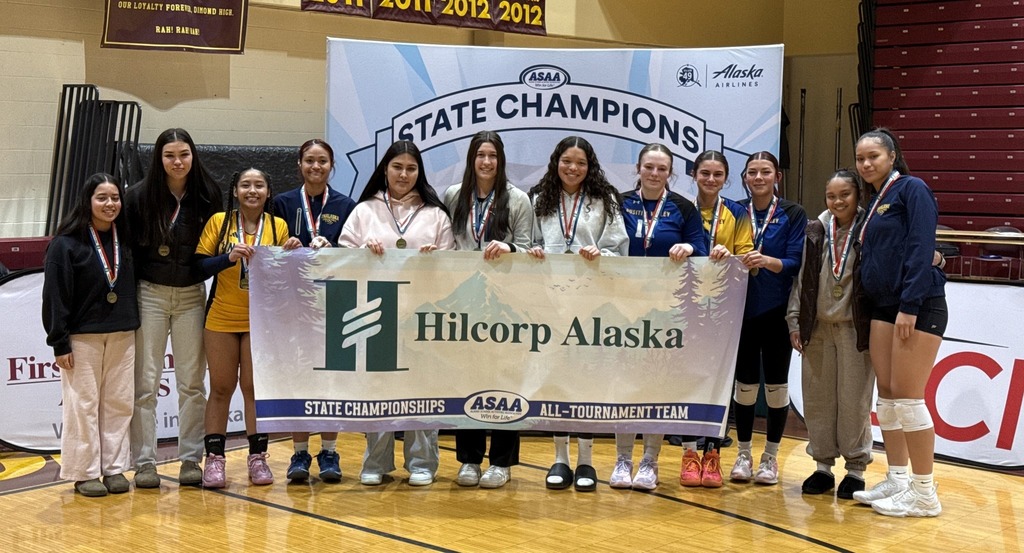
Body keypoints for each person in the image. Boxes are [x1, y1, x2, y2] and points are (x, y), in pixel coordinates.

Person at [339, 140, 456, 487]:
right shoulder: (364, 211)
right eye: (397, 167)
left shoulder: (435, 214)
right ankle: (376, 461)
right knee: (377, 389)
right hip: (376, 314)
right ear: (385, 169)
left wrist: (438, 258)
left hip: (423, 316)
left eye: (411, 168)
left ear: (419, 173)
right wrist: (362, 252)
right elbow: (341, 258)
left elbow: (453, 269)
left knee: (424, 390)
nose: (404, 175)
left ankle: (422, 462)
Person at [851, 128, 947, 517]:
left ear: (892, 156)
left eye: (873, 155)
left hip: (917, 305)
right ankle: (898, 479)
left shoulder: (912, 189)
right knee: (887, 397)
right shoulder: (876, 200)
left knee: (908, 398)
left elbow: (922, 247)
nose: (866, 164)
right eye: (860, 158)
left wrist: (909, 304)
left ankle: (925, 493)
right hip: (883, 307)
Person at [527, 135, 628, 492]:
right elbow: (528, 242)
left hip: (591, 302)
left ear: (590, 166)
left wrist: (602, 255)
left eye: (581, 163)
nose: (573, 168)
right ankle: (559, 457)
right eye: (567, 161)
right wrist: (535, 252)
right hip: (550, 301)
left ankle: (586, 460)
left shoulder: (606, 200)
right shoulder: (538, 198)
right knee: (555, 377)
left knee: (586, 379)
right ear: (556, 162)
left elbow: (619, 247)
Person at [125, 128, 223, 489]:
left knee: (192, 384)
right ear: (159, 158)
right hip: (149, 294)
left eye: (184, 154)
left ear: (193, 156)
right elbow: (129, 253)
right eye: (170, 155)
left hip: (190, 296)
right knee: (145, 385)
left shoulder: (207, 194)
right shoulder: (137, 196)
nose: (177, 162)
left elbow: (216, 248)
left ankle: (190, 460)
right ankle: (145, 463)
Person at [612, 143, 707, 491]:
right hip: (623, 307)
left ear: (671, 173)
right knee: (625, 382)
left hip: (666, 310)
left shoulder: (682, 207)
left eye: (662, 169)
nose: (654, 174)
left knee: (657, 381)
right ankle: (622, 459)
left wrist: (690, 248)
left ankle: (650, 461)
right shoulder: (618, 202)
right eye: (649, 167)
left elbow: (701, 246)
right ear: (638, 168)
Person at [443, 131, 533, 489]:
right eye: (480, 155)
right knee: (467, 378)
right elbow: (446, 243)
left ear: (501, 160)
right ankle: (469, 459)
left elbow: (529, 248)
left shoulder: (518, 199)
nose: (486, 162)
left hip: (505, 304)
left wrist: (509, 246)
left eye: (492, 155)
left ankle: (502, 461)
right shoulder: (453, 195)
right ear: (471, 159)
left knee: (505, 379)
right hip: (464, 303)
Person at [196, 168, 296, 488]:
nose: (252, 190)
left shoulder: (278, 226)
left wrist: (292, 252)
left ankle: (257, 459)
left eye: (259, 185)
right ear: (235, 190)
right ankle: (214, 460)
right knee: (222, 388)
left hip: (261, 321)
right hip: (222, 318)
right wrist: (228, 257)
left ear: (268, 192)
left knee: (254, 390)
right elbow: (198, 266)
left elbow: (285, 274)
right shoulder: (219, 221)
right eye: (245, 185)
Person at [43, 173, 140, 497]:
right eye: (102, 198)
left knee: (118, 404)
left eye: (115, 198)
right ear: (87, 201)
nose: (110, 204)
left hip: (123, 333)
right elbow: (54, 296)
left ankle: (113, 468)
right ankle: (84, 472)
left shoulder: (125, 238)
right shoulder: (65, 243)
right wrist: (59, 341)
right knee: (82, 404)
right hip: (82, 338)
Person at [786, 170, 874, 499]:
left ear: (858, 196)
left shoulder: (869, 229)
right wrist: (795, 320)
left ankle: (855, 470)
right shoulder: (815, 229)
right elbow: (801, 278)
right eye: (831, 196)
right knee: (819, 401)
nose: (837, 201)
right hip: (818, 326)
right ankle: (822, 467)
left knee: (854, 401)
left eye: (845, 195)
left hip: (855, 328)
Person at [272, 139, 356, 484]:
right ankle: (300, 453)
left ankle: (330, 452)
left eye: (322, 161)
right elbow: (270, 250)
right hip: (293, 302)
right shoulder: (282, 202)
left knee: (329, 378)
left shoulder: (346, 204)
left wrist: (332, 247)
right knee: (297, 378)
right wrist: (285, 245)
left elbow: (354, 251)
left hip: (332, 302)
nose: (315, 167)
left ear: (331, 166)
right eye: (309, 161)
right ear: (299, 164)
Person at [729, 151, 807, 486]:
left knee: (776, 388)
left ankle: (771, 457)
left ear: (777, 176)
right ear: (744, 178)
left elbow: (794, 263)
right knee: (744, 387)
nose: (758, 178)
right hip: (740, 311)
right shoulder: (733, 211)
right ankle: (744, 453)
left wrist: (766, 261)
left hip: (776, 312)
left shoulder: (793, 213)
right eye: (752, 172)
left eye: (765, 172)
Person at [678, 150, 754, 488]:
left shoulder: (737, 212)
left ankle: (714, 454)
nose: (710, 180)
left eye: (717, 174)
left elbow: (747, 255)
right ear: (694, 174)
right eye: (705, 173)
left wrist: (731, 254)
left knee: (721, 379)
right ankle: (689, 453)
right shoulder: (681, 208)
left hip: (724, 308)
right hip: (686, 306)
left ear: (726, 178)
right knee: (689, 378)